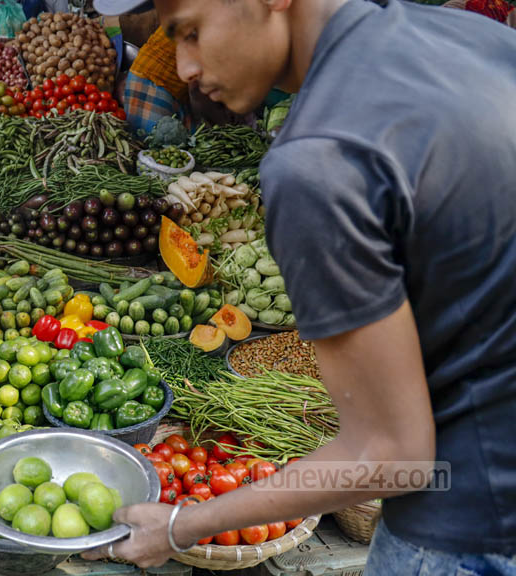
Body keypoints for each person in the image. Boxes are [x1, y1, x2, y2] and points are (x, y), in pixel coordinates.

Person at [88, 0, 516, 573]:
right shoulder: (472, 40)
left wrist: (179, 526)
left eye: (190, 31)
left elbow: (390, 456)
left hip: (469, 529)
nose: (183, 67)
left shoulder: (320, 159)